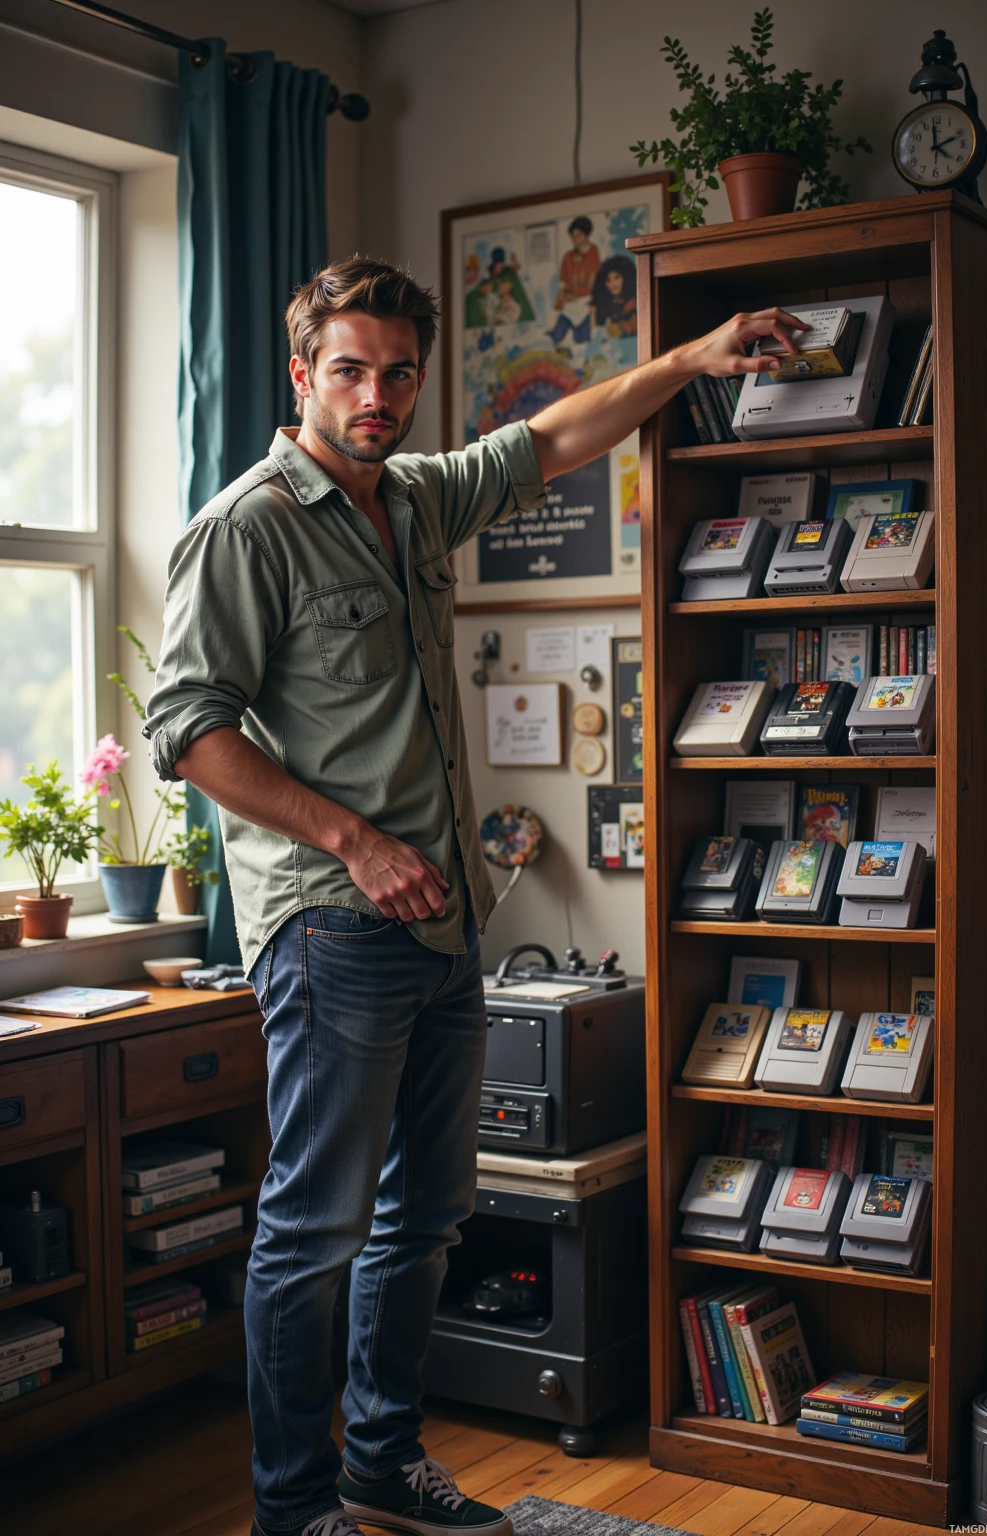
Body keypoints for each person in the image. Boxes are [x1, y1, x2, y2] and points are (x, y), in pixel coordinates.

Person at [145, 258, 805, 1536]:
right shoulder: (246, 527)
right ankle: (293, 1511)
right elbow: (189, 733)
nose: (377, 393)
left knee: (426, 1222)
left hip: (444, 929)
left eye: (399, 371)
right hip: (333, 928)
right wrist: (352, 841)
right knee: (314, 1233)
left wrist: (695, 355)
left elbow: (550, 434)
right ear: (302, 374)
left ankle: (378, 1465)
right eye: (350, 368)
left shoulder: (411, 500)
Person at [548, 216, 600, 346]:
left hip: (587, 304)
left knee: (583, 341)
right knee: (556, 337)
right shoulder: (568, 257)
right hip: (570, 303)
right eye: (573, 236)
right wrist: (559, 304)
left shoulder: (593, 254)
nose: (575, 240)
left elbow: (595, 282)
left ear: (586, 235)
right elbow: (563, 283)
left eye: (579, 235)